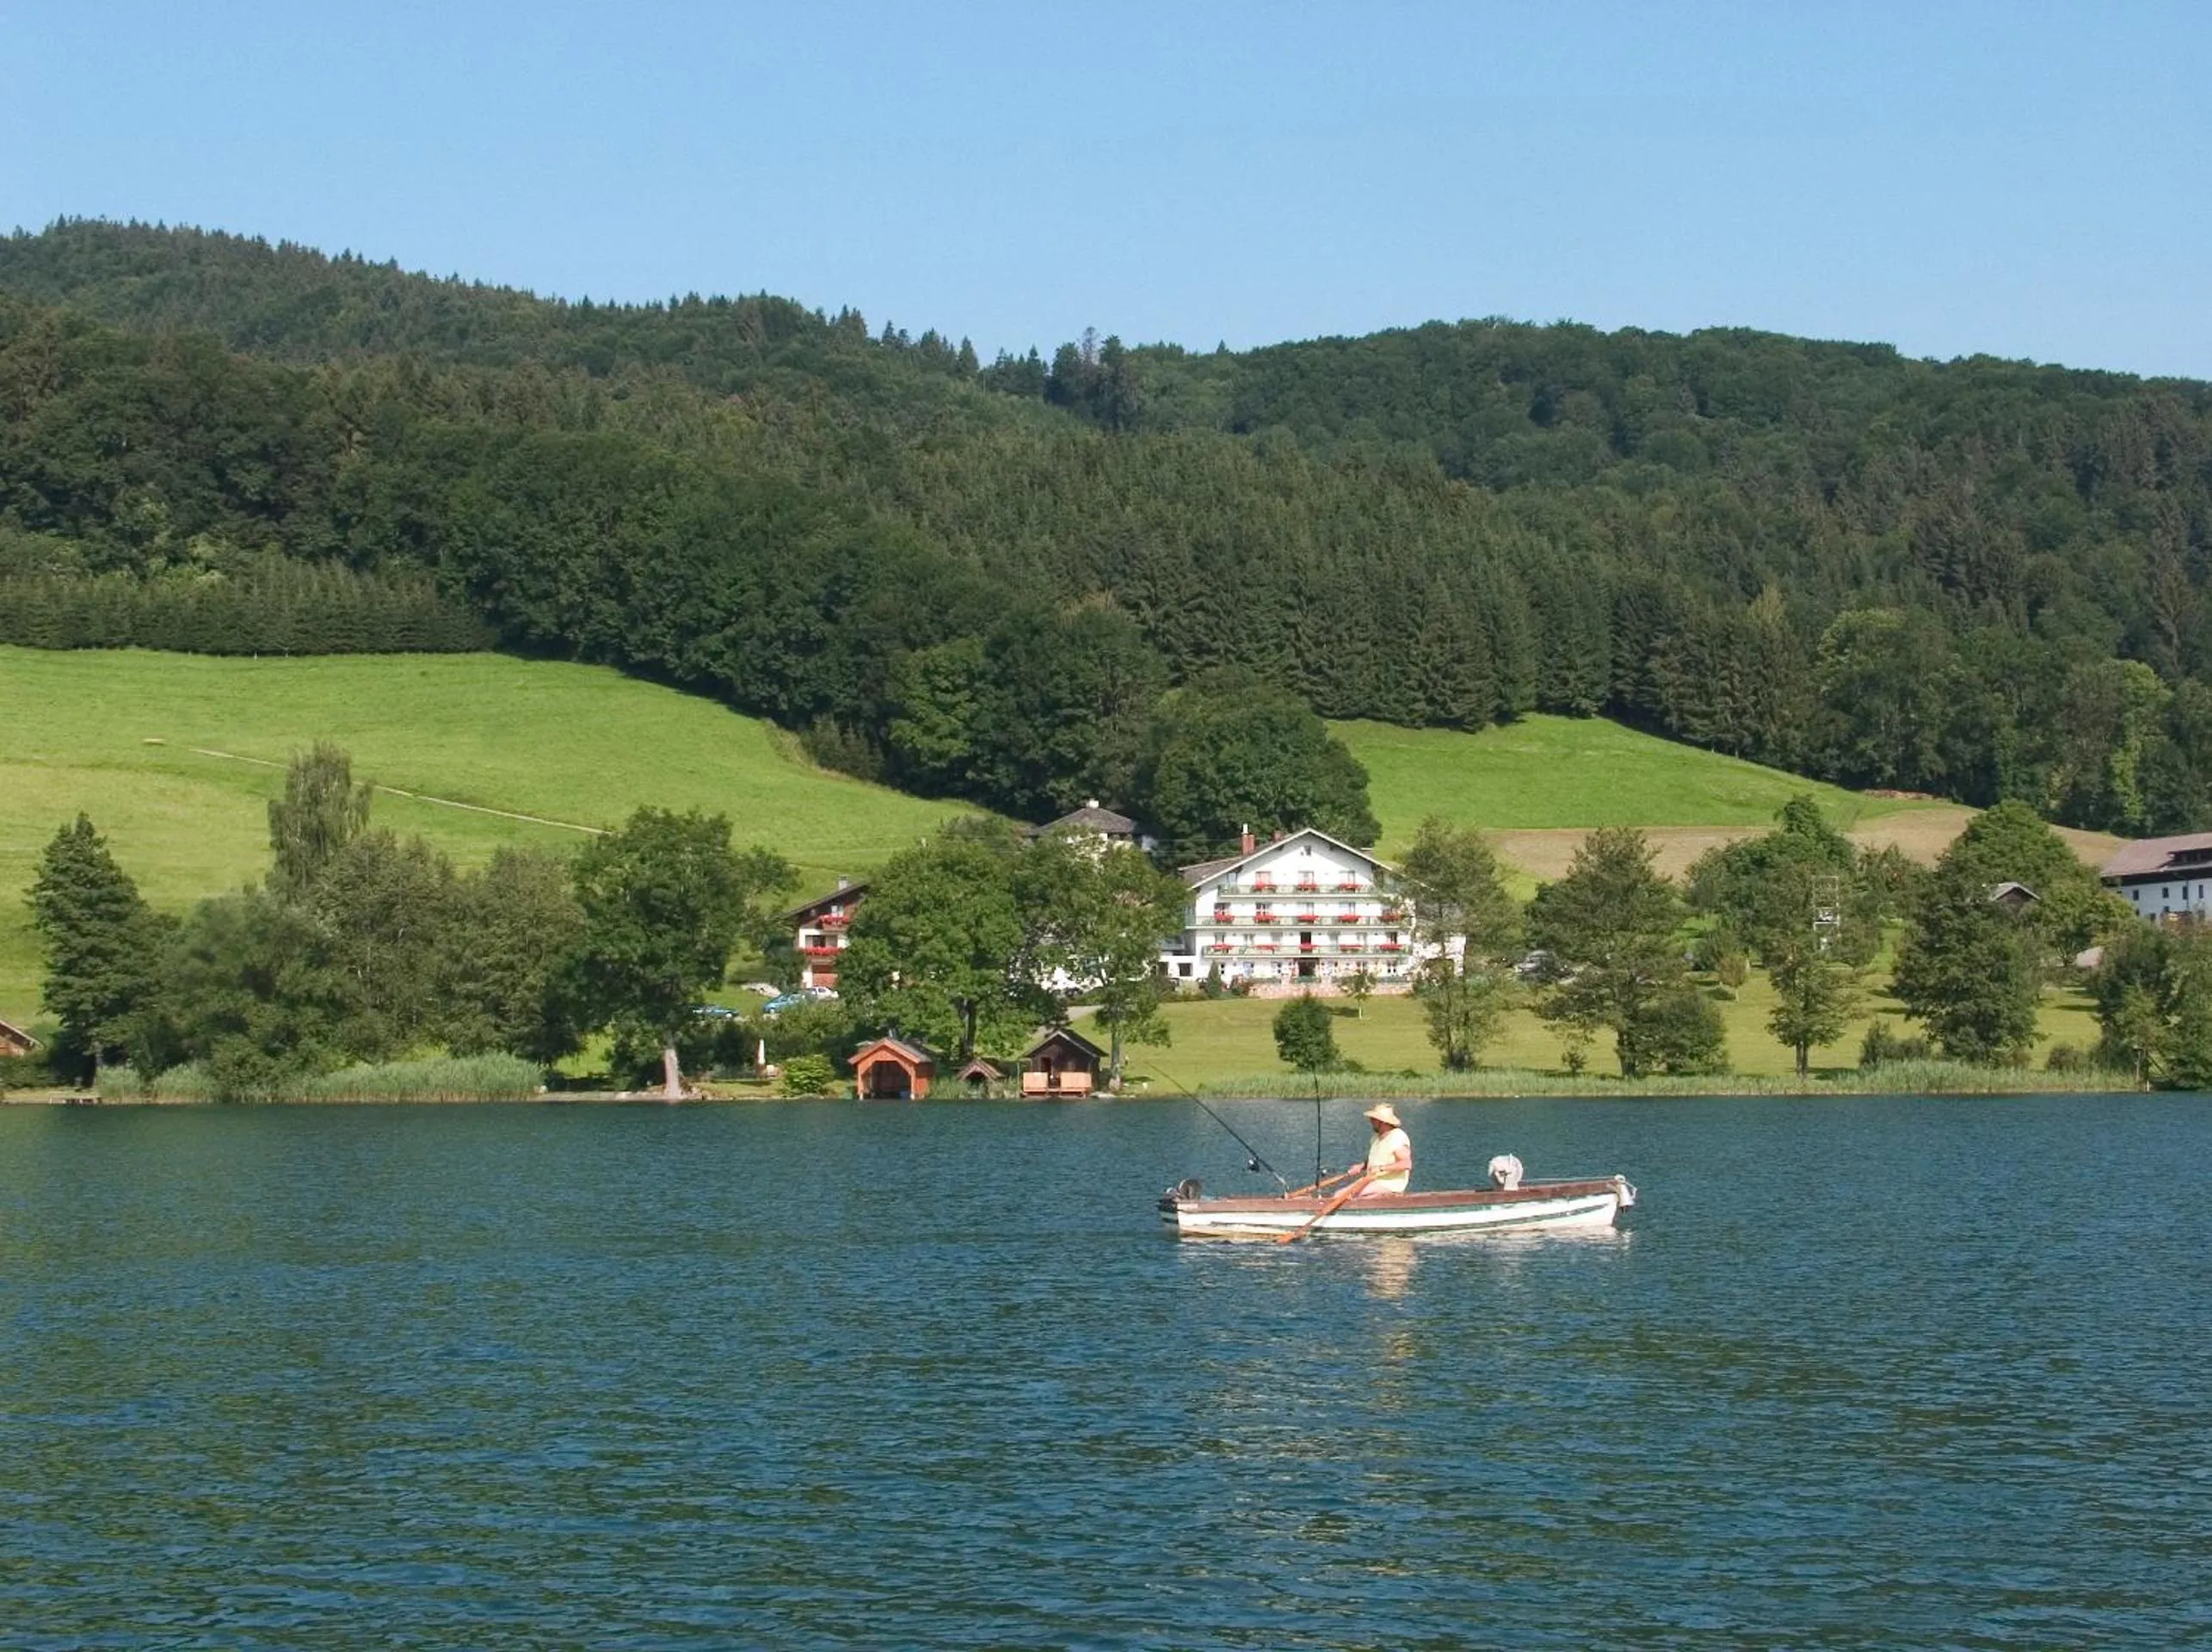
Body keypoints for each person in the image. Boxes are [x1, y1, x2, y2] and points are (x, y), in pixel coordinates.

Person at [1352, 1102, 1412, 1195]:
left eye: (1373, 1119)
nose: (1370, 1121)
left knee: (1354, 1195)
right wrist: (1361, 1166)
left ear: (1383, 1122)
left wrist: (1381, 1168)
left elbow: (1406, 1164)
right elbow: (1377, 1158)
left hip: (1390, 1185)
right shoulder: (1375, 1138)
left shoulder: (1397, 1137)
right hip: (1373, 1180)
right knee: (1338, 1194)